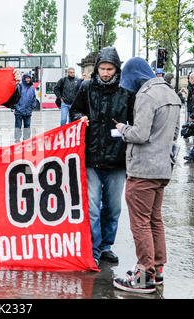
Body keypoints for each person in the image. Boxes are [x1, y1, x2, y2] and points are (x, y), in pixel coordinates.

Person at [112, 57, 181, 293]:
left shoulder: (146, 95)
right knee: (155, 220)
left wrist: (123, 129)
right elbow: (175, 134)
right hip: (162, 168)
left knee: (140, 223)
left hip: (142, 170)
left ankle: (143, 275)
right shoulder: (171, 94)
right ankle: (157, 269)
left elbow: (140, 134)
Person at [69, 47, 134, 267]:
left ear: (116, 69)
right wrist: (81, 117)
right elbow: (74, 111)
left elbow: (134, 121)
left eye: (110, 69)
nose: (105, 72)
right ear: (97, 69)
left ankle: (106, 245)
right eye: (102, 68)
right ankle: (94, 247)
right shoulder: (86, 87)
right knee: (93, 207)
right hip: (92, 157)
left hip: (117, 159)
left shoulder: (126, 91)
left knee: (113, 207)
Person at [14, 73, 37, 142]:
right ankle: (17, 139)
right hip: (19, 111)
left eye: (29, 78)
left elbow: (34, 98)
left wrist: (33, 106)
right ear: (24, 79)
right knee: (18, 126)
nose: (28, 79)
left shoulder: (32, 88)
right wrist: (17, 107)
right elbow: (14, 97)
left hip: (28, 111)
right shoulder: (19, 87)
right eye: (27, 78)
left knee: (27, 127)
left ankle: (26, 140)